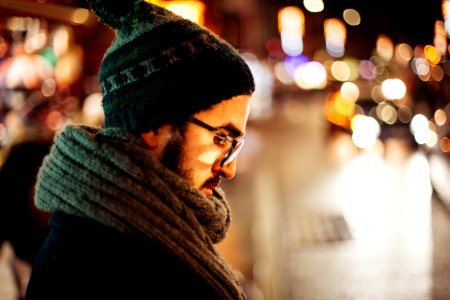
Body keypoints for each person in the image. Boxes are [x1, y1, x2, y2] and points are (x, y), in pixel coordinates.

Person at [25, 0, 255, 299]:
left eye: (234, 145)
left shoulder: (130, 233)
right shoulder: (113, 265)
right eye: (221, 138)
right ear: (155, 124)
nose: (229, 167)